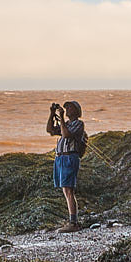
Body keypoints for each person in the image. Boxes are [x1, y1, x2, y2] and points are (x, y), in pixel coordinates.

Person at [45, 98, 86, 230]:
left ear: (76, 111)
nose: (67, 109)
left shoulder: (78, 124)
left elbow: (67, 135)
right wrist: (52, 114)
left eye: (70, 108)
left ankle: (73, 223)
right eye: (66, 108)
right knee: (65, 189)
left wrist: (61, 118)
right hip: (61, 158)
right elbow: (50, 130)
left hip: (70, 157)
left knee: (69, 190)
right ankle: (72, 220)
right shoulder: (66, 124)